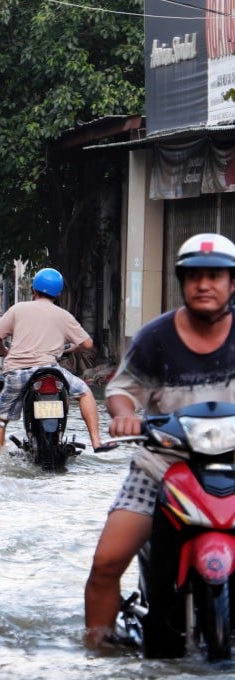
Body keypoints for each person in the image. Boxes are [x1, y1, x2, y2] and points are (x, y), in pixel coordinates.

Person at [83, 233, 235, 648]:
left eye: (215, 276)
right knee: (106, 562)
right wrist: (125, 415)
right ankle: (95, 653)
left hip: (232, 465)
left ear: (231, 283)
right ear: (182, 282)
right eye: (194, 277)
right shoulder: (155, 336)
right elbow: (121, 389)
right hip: (162, 465)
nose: (204, 284)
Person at [0, 267, 104, 453]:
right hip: (51, 371)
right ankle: (97, 442)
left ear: (33, 290)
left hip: (18, 372)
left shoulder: (18, 309)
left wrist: (4, 351)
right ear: (58, 294)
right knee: (85, 392)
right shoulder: (64, 316)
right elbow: (88, 344)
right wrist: (74, 346)